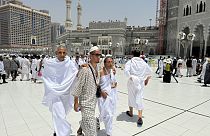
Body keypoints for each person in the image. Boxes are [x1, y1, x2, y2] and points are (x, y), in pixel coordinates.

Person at [42, 45, 78, 136]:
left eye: (64, 53)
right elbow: (46, 76)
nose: (62, 54)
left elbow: (75, 74)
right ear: (56, 53)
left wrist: (83, 68)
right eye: (60, 52)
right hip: (55, 94)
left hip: (66, 93)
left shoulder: (70, 63)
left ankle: (56, 131)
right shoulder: (50, 63)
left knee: (61, 115)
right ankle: (64, 132)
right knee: (60, 115)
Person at [72, 46, 101, 136]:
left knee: (90, 125)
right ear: (90, 56)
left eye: (99, 55)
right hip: (85, 104)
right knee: (92, 133)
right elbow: (78, 86)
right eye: (96, 55)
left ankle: (82, 127)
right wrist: (76, 103)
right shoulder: (85, 70)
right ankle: (83, 125)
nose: (98, 57)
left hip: (93, 102)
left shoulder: (97, 69)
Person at [124, 50, 152, 126]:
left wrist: (130, 77)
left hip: (132, 82)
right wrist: (147, 80)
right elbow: (150, 72)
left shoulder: (130, 62)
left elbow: (126, 71)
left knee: (131, 97)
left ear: (133, 55)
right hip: (141, 82)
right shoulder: (143, 63)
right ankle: (139, 116)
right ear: (140, 55)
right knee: (139, 97)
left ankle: (131, 112)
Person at [98, 56, 117, 136]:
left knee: (110, 114)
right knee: (107, 114)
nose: (110, 64)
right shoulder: (100, 72)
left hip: (111, 95)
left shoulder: (112, 71)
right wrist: (102, 93)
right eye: (108, 62)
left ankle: (98, 121)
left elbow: (113, 82)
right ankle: (109, 132)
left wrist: (114, 85)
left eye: (111, 62)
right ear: (104, 63)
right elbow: (97, 84)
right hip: (102, 96)